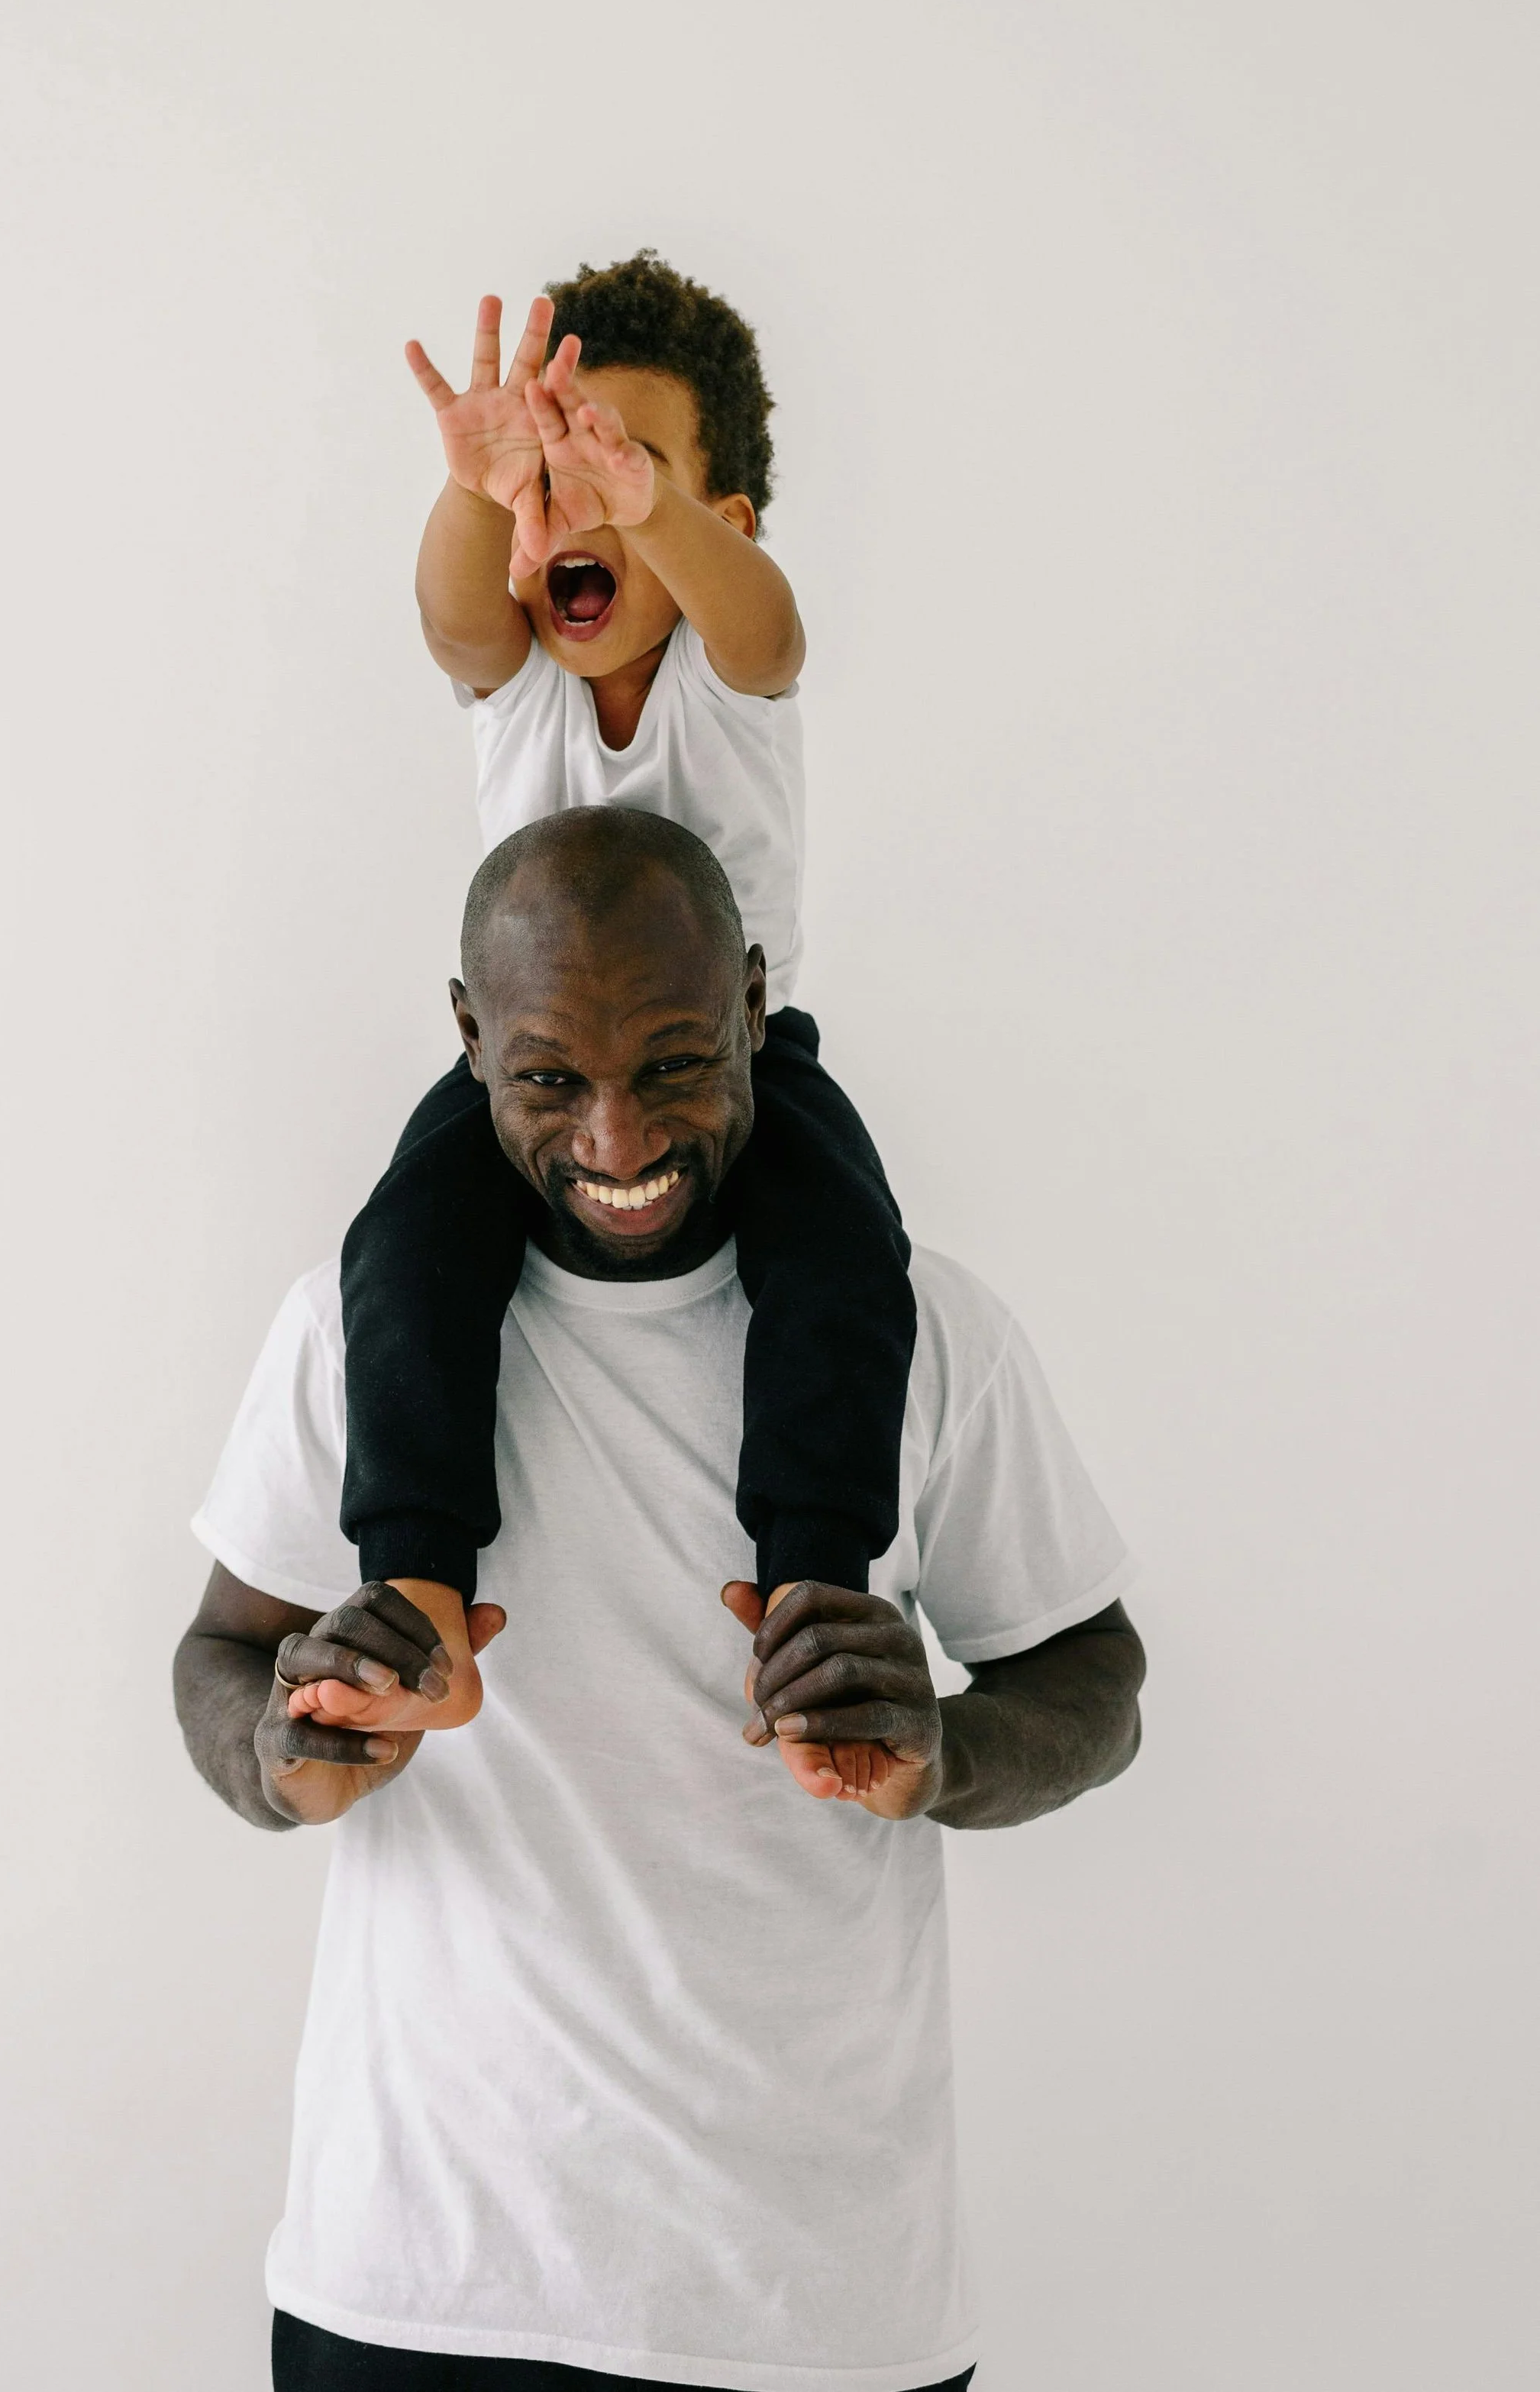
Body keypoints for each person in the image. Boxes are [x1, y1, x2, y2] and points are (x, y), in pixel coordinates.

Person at [176, 807, 1145, 2392]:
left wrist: (945, 1752)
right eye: (550, 1079)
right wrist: (287, 1749)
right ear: (465, 1038)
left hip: (814, 2314)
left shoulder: (922, 1333)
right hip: (413, 2292)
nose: (617, 1144)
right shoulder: (357, 1332)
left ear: (758, 1010)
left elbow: (1092, 1674)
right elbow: (219, 1653)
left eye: (678, 1065)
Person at [340, 252, 917, 1774]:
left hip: (728, 1068)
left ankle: (809, 1588)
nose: (576, 504)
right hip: (523, 1082)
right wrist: (481, 487)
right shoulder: (520, 683)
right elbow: (456, 617)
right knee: (402, 1259)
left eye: (624, 467)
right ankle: (416, 1598)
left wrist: (648, 512)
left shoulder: (725, 679)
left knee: (843, 1264)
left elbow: (768, 627)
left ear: (711, 520)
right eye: (557, 461)